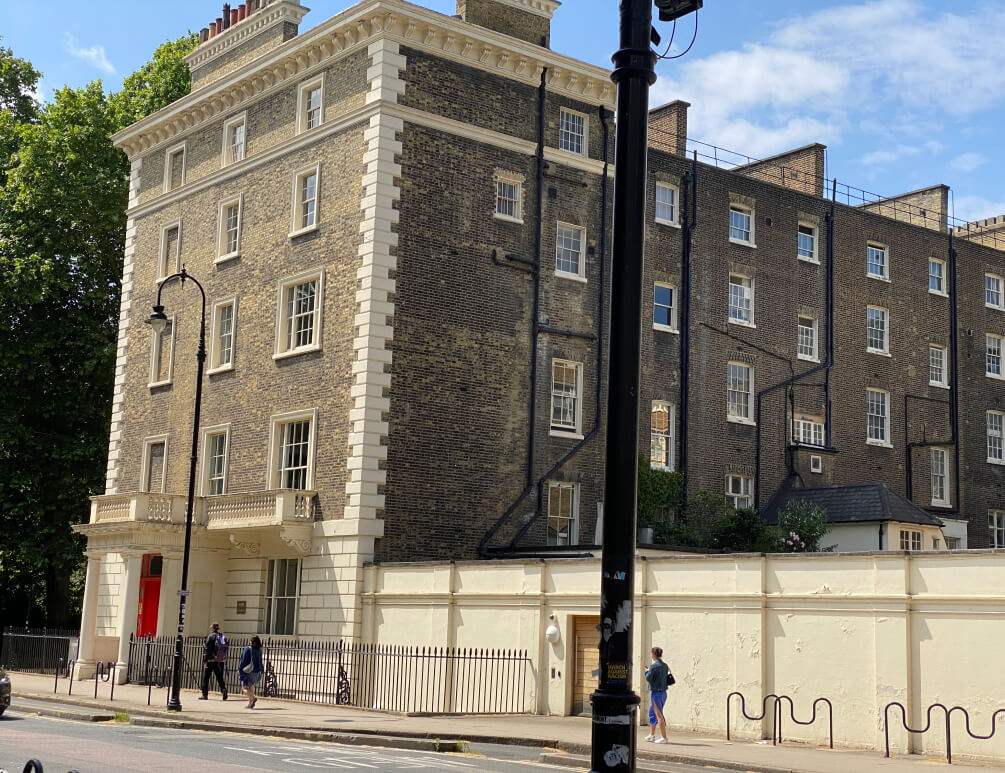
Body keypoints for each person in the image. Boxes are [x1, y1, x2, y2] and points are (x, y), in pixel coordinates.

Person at [644, 646, 670, 744]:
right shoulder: (665, 665)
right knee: (652, 713)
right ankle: (651, 735)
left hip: (656, 693)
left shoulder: (654, 666)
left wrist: (646, 671)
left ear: (654, 655)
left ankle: (664, 737)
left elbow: (648, 678)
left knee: (659, 715)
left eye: (652, 654)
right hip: (663, 692)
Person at [199, 622, 228, 701]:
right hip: (219, 661)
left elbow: (207, 650)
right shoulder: (222, 636)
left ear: (212, 628)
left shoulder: (210, 636)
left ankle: (205, 695)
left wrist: (205, 661)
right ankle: (223, 689)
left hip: (210, 660)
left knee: (206, 678)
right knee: (219, 677)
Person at [239, 636, 264, 709]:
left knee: (244, 688)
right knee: (251, 687)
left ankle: (253, 698)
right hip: (256, 671)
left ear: (252, 642)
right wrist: (262, 671)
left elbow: (243, 661)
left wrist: (240, 670)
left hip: (248, 671)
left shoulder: (248, 649)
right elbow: (260, 662)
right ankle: (250, 704)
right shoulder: (259, 650)